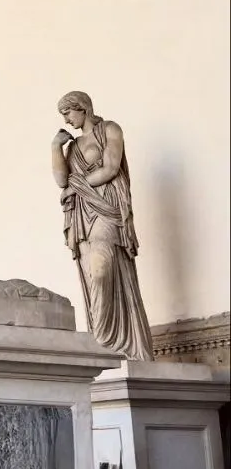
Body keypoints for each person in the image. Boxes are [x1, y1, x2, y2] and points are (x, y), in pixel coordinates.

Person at [51, 91, 153, 360]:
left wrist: (78, 186)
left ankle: (108, 340)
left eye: (68, 112)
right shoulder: (72, 146)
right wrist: (55, 148)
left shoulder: (109, 129)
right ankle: (103, 341)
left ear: (83, 108)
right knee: (91, 274)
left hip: (106, 205)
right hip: (82, 214)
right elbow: (62, 180)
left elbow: (110, 168)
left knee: (101, 268)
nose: (65, 119)